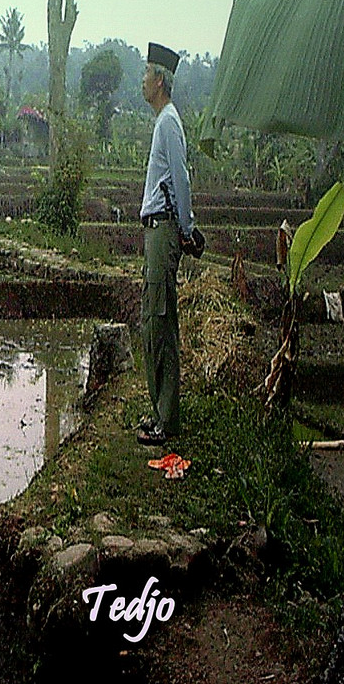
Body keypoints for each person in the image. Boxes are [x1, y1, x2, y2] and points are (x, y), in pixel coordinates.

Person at [135, 43, 202, 446]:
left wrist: (187, 228)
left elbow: (180, 179)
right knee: (153, 320)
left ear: (159, 80)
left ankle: (167, 420)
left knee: (160, 322)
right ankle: (161, 411)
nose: (142, 81)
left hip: (163, 230)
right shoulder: (164, 122)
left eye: (146, 74)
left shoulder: (168, 124)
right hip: (156, 230)